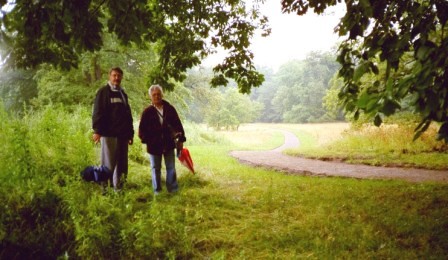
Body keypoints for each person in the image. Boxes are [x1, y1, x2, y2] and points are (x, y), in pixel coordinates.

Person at [138, 84, 186, 194]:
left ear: (162, 94)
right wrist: (148, 140)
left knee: (171, 168)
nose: (156, 96)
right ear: (150, 96)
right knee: (155, 169)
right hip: (154, 145)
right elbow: (141, 130)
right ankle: (157, 191)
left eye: (158, 94)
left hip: (169, 143)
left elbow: (178, 125)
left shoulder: (170, 109)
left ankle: (173, 190)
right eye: (154, 95)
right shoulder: (147, 112)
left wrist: (181, 139)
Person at [92, 67, 134, 191]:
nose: (117, 78)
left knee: (122, 165)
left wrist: (130, 134)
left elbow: (128, 115)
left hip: (123, 136)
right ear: (110, 76)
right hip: (108, 135)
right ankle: (105, 190)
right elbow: (97, 112)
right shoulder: (103, 92)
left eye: (119, 76)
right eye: (114, 75)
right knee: (108, 165)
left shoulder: (123, 94)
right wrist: (97, 131)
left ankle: (119, 189)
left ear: (121, 77)